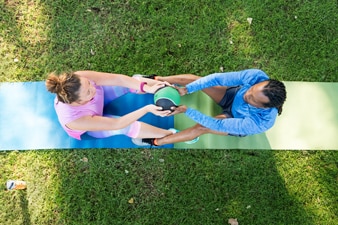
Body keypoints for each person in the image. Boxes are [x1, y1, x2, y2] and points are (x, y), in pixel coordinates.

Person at [135, 69, 287, 146]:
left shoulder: (261, 122)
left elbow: (216, 124)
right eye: (251, 89)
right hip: (231, 96)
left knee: (201, 127)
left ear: (263, 107)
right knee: (199, 81)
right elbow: (216, 78)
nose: (247, 94)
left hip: (234, 120)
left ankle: (156, 141)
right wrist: (188, 89)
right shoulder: (257, 76)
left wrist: (187, 110)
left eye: (252, 99)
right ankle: (156, 80)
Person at [45, 70, 176, 141]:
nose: (93, 87)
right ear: (78, 102)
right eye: (89, 91)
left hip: (98, 102)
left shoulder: (79, 78)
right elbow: (117, 124)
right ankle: (170, 134)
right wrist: (147, 109)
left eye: (89, 83)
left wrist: (147, 88)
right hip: (90, 128)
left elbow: (118, 79)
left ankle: (168, 88)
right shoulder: (74, 119)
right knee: (126, 127)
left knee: (133, 82)